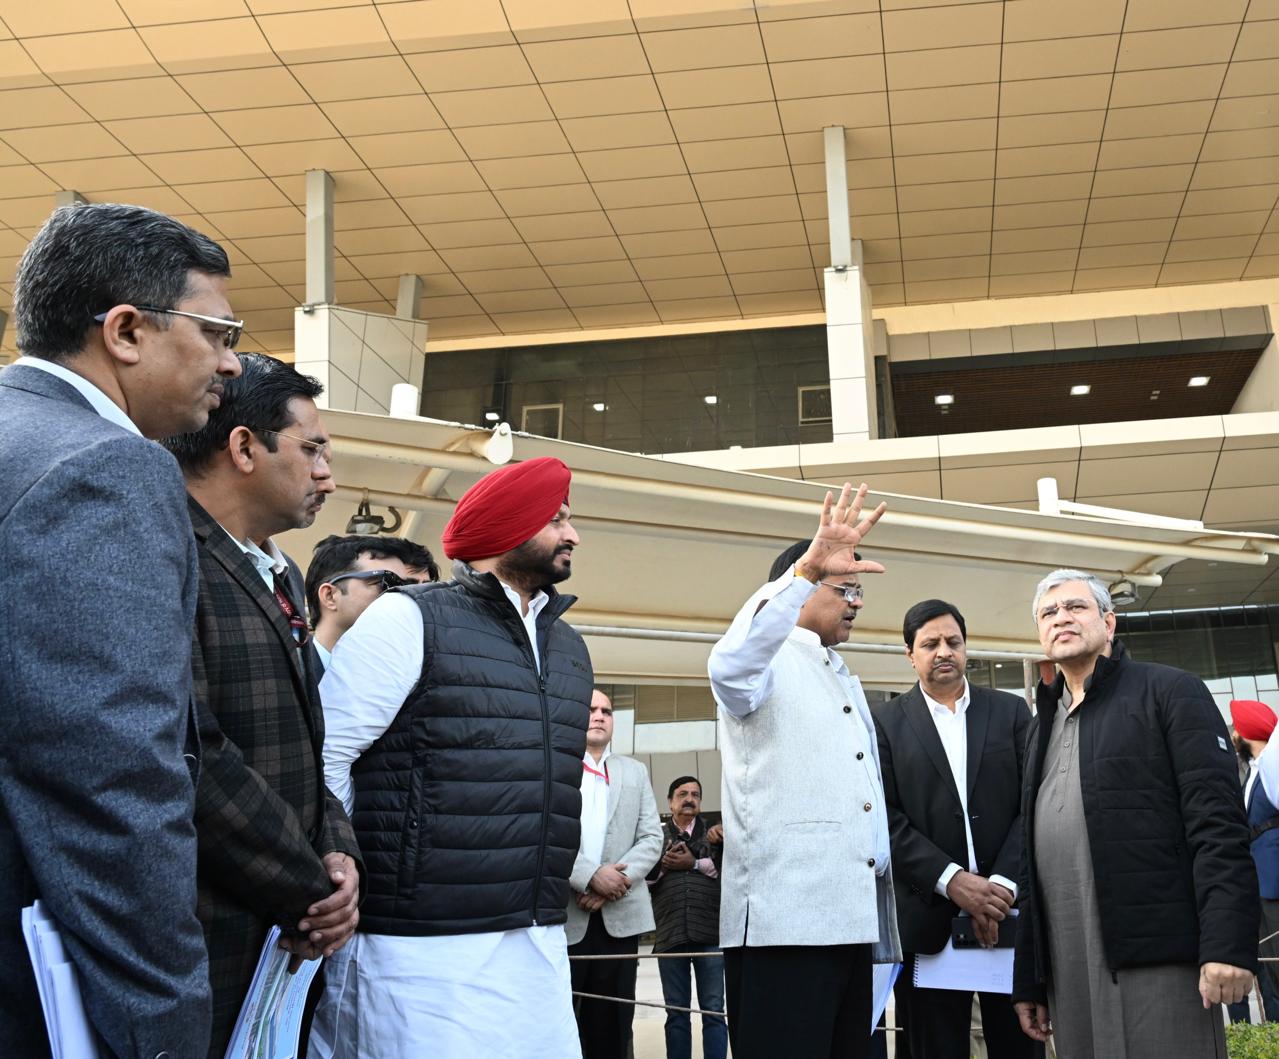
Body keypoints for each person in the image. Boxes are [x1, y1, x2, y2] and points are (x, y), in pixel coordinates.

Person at [0, 202, 241, 1058]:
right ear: (128, 330)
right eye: (217, 331)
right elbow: (111, 777)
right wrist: (165, 1023)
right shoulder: (103, 465)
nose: (231, 360)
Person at [317, 456, 592, 1057]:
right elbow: (326, 753)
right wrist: (338, 861)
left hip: (536, 933)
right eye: (556, 520)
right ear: (506, 528)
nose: (572, 535)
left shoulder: (569, 646)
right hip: (417, 943)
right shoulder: (409, 616)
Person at [165, 353, 363, 1055]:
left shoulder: (275, 570)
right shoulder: (170, 553)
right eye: (311, 450)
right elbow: (193, 748)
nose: (326, 476)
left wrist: (338, 852)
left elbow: (311, 741)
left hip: (281, 939)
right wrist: (311, 887)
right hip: (208, 929)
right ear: (244, 446)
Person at [1012, 569, 1257, 1057]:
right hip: (1068, 967)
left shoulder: (1170, 692)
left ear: (1109, 621)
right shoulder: (1039, 727)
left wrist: (1227, 945)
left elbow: (1219, 827)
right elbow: (1028, 860)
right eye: (1049, 612)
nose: (1062, 618)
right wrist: (1029, 980)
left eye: (1076, 607)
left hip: (1160, 958)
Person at [708, 482, 901, 1059]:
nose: (858, 602)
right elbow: (729, 663)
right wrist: (803, 571)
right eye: (845, 588)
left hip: (852, 917)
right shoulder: (763, 660)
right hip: (784, 922)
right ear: (799, 588)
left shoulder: (838, 670)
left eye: (860, 590)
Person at [872, 599, 1036, 1059]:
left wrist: (998, 887)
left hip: (1011, 917)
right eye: (930, 644)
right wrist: (953, 882)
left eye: (953, 642)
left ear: (966, 648)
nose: (944, 651)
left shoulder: (1011, 713)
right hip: (928, 922)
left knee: (1021, 1045)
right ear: (910, 654)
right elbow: (883, 817)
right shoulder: (882, 724)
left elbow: (1034, 805)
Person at [566, 689, 663, 1058]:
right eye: (591, 708)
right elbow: (545, 834)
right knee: (564, 1026)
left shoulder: (634, 771)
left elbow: (652, 838)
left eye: (607, 710)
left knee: (613, 1027)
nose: (600, 715)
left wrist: (610, 885)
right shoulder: (555, 768)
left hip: (619, 918)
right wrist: (589, 876)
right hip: (565, 917)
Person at [646, 775, 729, 1059]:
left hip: (711, 935)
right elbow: (642, 879)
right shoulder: (653, 837)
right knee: (676, 1013)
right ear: (670, 802)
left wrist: (692, 862)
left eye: (695, 794)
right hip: (670, 935)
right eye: (682, 794)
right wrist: (665, 865)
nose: (689, 799)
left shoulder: (717, 834)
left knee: (714, 1011)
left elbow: (727, 871)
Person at [304, 534, 440, 672]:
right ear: (330, 596)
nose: (405, 596)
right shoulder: (287, 674)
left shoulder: (412, 678)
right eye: (385, 583)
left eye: (405, 587)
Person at [1231, 698, 1279, 1020]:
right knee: (1270, 970)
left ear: (1246, 732)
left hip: (1275, 883)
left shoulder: (1273, 768)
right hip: (1261, 884)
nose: (1233, 734)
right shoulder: (1254, 775)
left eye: (1236, 727)